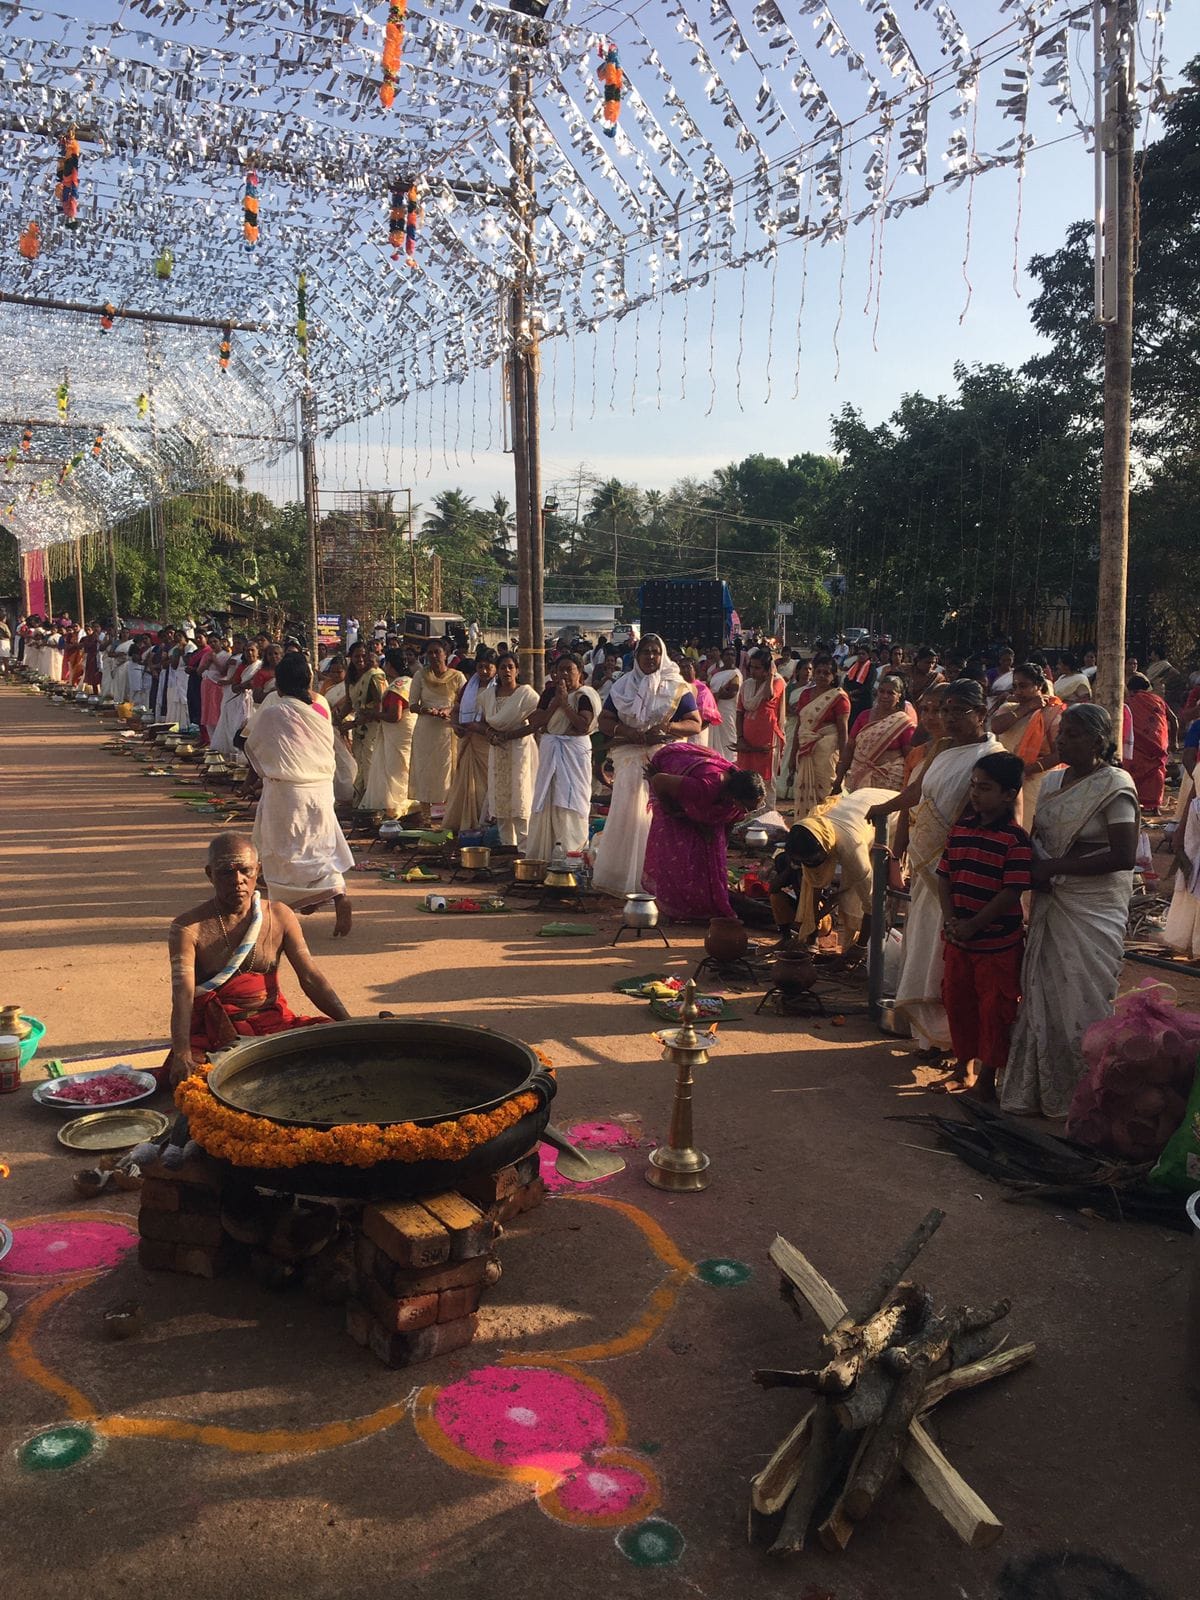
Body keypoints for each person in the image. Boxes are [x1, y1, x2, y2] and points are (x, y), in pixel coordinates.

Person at [1000, 705, 1139, 1119]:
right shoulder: (1056, 779)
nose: (1061, 742)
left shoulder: (1115, 784)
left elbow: (1123, 854)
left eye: (1073, 735)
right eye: (1061, 735)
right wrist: (1035, 869)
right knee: (1043, 995)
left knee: (1083, 997)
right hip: (1051, 900)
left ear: (1098, 741)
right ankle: (1038, 1091)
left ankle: (1084, 1098)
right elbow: (1041, 836)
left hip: (1091, 909)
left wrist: (1055, 867)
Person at [867, 680, 1003, 1054]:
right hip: (927, 871)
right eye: (945, 711)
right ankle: (930, 1038)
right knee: (923, 949)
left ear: (981, 713)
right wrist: (885, 808)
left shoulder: (991, 755)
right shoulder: (941, 749)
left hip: (959, 870)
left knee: (947, 957)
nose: (948, 719)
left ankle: (955, 1045)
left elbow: (989, 814)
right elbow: (916, 792)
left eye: (959, 711)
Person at [167, 832, 351, 1084]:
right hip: (218, 1035)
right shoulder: (188, 928)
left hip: (276, 1025)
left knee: (338, 1047)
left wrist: (349, 1025)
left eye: (245, 871)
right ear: (210, 874)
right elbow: (183, 995)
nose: (237, 880)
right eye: (226, 872)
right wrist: (182, 1053)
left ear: (258, 871)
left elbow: (310, 977)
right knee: (200, 1081)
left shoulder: (280, 915)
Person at [935, 752, 1033, 1099]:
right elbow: (944, 877)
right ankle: (963, 1068)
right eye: (974, 785)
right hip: (960, 939)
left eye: (986, 788)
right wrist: (952, 920)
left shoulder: (1016, 840)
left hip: (997, 944)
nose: (976, 793)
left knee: (996, 1010)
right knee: (957, 1001)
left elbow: (1012, 891)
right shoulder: (960, 828)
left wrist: (975, 924)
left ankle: (987, 1079)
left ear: (1008, 795)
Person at [241, 653, 355, 937]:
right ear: (309, 681)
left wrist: (258, 775)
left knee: (282, 850)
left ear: (278, 686)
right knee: (319, 847)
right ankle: (338, 895)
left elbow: (252, 747)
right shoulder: (321, 706)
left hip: (287, 791)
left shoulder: (272, 712)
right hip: (319, 789)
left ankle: (281, 912)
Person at [592, 635, 701, 897]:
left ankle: (659, 878)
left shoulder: (676, 686)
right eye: (645, 652)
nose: (650, 657)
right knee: (627, 814)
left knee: (657, 817)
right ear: (637, 656)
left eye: (655, 652)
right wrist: (625, 730)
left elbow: (695, 722)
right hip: (629, 760)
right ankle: (624, 877)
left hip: (663, 760)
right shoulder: (623, 686)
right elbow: (604, 719)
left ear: (662, 655)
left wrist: (667, 728)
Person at [642, 745, 764, 920]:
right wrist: (676, 811)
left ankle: (704, 905)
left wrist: (720, 851)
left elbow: (726, 827)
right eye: (746, 807)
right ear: (735, 797)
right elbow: (659, 781)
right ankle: (677, 907)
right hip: (671, 798)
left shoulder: (733, 801)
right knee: (680, 857)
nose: (746, 813)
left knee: (710, 855)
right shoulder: (706, 787)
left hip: (700, 804)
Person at [767, 788, 895, 951]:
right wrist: (810, 932)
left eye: (810, 861)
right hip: (859, 806)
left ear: (824, 851)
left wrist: (859, 948)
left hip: (890, 815)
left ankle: (865, 951)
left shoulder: (851, 849)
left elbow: (873, 902)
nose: (807, 865)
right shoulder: (813, 829)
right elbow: (813, 885)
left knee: (856, 901)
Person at [526, 655, 602, 859]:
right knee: (548, 798)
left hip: (574, 753)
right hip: (551, 749)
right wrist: (555, 703)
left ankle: (572, 853)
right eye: (561, 670)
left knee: (573, 801)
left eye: (570, 669)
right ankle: (546, 854)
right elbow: (535, 721)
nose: (565, 674)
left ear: (580, 673)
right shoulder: (550, 693)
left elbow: (583, 725)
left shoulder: (584, 695)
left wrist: (565, 705)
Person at [988, 662, 1064, 827]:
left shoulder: (1052, 713)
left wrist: (1024, 771)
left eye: (1023, 686)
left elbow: (1059, 754)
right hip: (1004, 779)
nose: (1018, 691)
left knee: (1026, 829)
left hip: (1033, 782)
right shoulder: (1009, 708)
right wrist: (1027, 707)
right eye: (1015, 686)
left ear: (1038, 685)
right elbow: (997, 727)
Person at [480, 654, 540, 846]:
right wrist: (490, 733)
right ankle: (508, 848)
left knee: (520, 797)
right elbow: (483, 723)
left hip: (519, 749)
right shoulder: (488, 696)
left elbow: (536, 724)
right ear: (496, 670)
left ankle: (525, 849)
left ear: (517, 670)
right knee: (501, 799)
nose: (506, 671)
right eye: (503, 667)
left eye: (510, 667)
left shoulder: (526, 694)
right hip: (497, 749)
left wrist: (509, 736)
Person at [407, 640, 466, 825]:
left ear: (445, 654)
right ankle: (426, 816)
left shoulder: (457, 677)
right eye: (430, 653)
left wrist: (449, 711)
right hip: (426, 730)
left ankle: (449, 815)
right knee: (425, 771)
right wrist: (427, 710)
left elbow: (465, 701)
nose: (433, 656)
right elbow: (412, 705)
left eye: (437, 652)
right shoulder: (420, 676)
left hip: (448, 730)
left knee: (449, 772)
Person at [788, 651, 850, 818]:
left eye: (826, 673)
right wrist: (792, 756)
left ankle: (826, 831)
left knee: (826, 793)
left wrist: (843, 763)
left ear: (834, 675)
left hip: (827, 752)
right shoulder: (806, 694)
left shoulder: (839, 698)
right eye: (818, 672)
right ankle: (805, 828)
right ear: (813, 673)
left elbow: (843, 732)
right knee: (804, 790)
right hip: (805, 750)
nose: (822, 676)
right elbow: (800, 727)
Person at [833, 673, 916, 794]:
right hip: (859, 777)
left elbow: (909, 757)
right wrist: (839, 778)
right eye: (881, 691)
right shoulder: (864, 716)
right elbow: (850, 747)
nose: (885, 696)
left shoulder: (903, 723)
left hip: (889, 780)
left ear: (899, 696)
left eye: (891, 693)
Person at [443, 650, 496, 833]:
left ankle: (485, 820)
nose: (484, 671)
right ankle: (466, 821)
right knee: (465, 783)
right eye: (480, 667)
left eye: (488, 667)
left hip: (488, 743)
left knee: (487, 784)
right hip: (468, 740)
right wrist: (457, 724)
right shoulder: (468, 687)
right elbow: (457, 709)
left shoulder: (499, 688)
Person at [360, 646, 414, 817]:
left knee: (395, 767)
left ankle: (397, 806)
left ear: (389, 665)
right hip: (409, 730)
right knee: (406, 766)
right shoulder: (412, 681)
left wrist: (373, 713)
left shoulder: (397, 686)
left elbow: (394, 716)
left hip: (399, 732)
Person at [736, 646, 787, 807]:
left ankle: (768, 815)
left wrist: (771, 675)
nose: (753, 671)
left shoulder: (777, 682)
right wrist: (740, 738)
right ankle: (747, 813)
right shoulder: (746, 685)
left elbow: (768, 695)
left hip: (767, 739)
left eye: (758, 668)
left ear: (767, 670)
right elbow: (740, 712)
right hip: (747, 741)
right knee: (746, 778)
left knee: (766, 779)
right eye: (751, 666)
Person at [1125, 672, 1177, 813]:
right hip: (1158, 744)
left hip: (1138, 744)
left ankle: (1134, 804)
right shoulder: (1158, 700)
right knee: (1157, 773)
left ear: (1132, 690)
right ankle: (1155, 807)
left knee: (1133, 771)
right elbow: (1174, 719)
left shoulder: (1130, 701)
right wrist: (1174, 741)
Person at [210, 640, 258, 756]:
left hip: (255, 701)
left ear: (258, 652)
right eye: (247, 650)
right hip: (240, 699)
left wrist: (244, 686)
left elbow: (254, 683)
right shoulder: (242, 666)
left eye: (252, 650)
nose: (250, 653)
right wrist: (241, 686)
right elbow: (234, 685)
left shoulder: (259, 666)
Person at [707, 646, 743, 760]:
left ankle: (731, 760)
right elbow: (709, 687)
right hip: (714, 708)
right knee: (715, 737)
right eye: (727, 654)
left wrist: (718, 695)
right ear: (722, 657)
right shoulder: (717, 673)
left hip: (727, 710)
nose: (730, 657)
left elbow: (732, 692)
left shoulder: (735, 673)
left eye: (732, 655)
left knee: (728, 735)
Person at [680, 657, 721, 747]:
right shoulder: (676, 687)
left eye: (688, 667)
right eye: (682, 667)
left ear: (695, 670)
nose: (685, 670)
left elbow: (707, 718)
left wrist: (692, 729)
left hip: (697, 734)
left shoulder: (702, 689)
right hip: (678, 734)